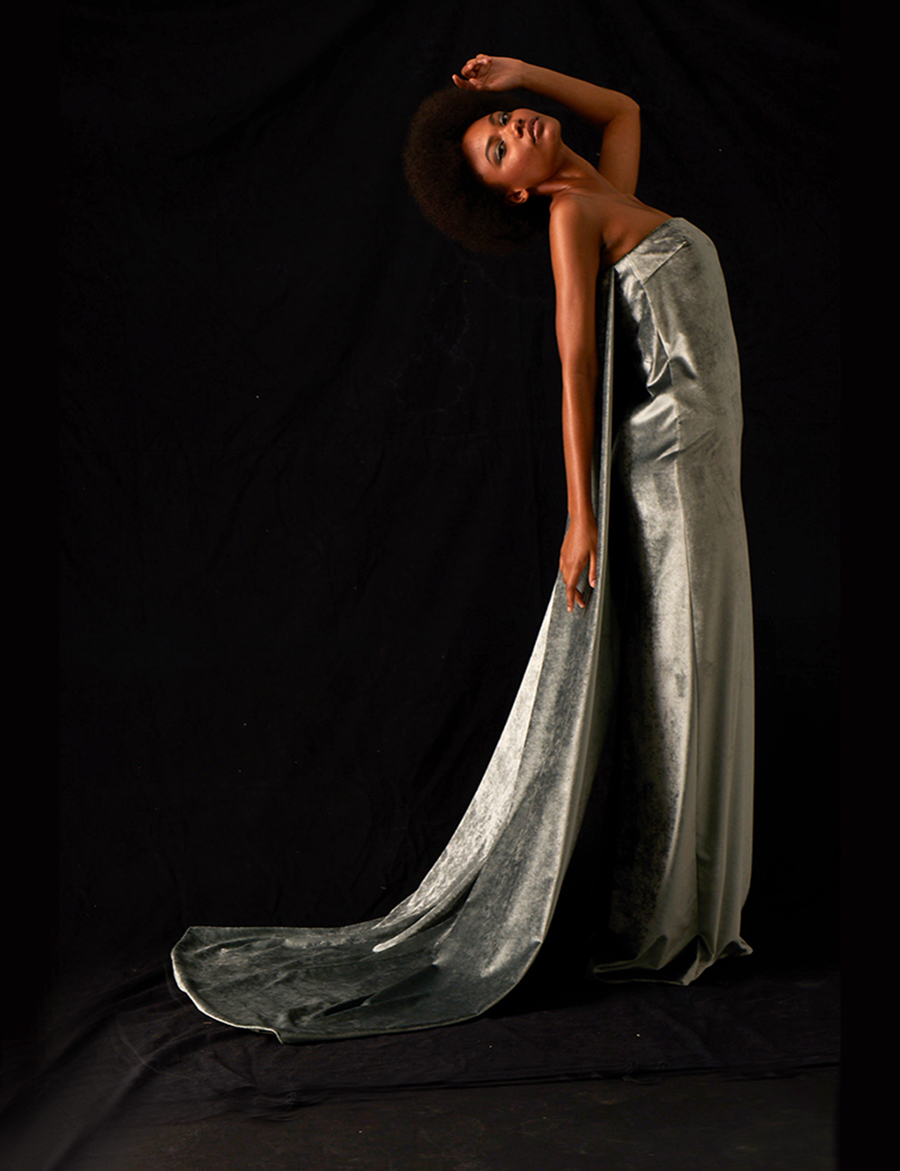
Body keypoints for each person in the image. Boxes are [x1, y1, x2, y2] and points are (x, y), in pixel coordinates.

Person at [171, 57, 754, 1041]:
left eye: (504, 119)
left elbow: (623, 107)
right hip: (669, 466)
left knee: (704, 666)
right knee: (682, 671)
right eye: (495, 146)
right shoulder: (574, 217)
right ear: (516, 194)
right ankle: (668, 923)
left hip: (706, 456)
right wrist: (581, 516)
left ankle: (692, 910)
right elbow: (575, 363)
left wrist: (522, 72)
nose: (515, 125)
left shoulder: (610, 187)